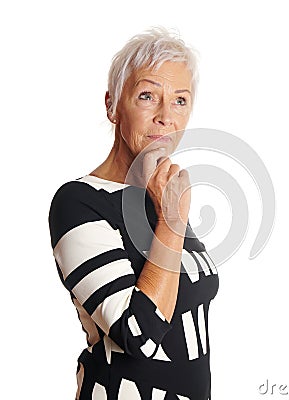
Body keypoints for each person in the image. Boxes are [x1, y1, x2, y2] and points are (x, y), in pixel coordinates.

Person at [48, 27, 219, 400]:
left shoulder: (161, 196)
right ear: (112, 105)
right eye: (147, 96)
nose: (165, 117)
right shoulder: (80, 201)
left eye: (180, 100)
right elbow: (138, 335)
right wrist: (172, 222)